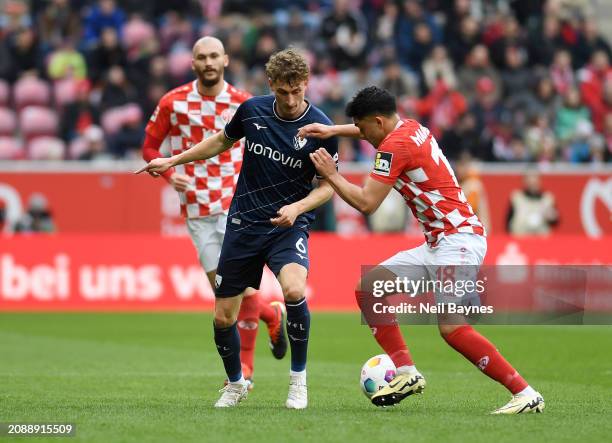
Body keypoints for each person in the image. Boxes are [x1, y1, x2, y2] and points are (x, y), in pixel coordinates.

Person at [300, 86, 545, 414]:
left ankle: (525, 393)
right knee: (369, 288)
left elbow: (367, 203)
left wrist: (331, 176)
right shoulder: (411, 127)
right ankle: (406, 372)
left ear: (378, 122)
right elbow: (373, 130)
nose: (362, 134)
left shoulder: (392, 147)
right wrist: (334, 130)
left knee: (452, 327)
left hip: (458, 242)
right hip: (439, 243)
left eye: (362, 127)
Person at [137, 48, 339, 409]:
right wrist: (173, 159)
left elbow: (328, 186)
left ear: (307, 83)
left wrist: (298, 207)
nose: (291, 100)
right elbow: (219, 141)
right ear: (271, 85)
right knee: (222, 315)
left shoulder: (321, 128)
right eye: (283, 92)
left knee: (294, 290)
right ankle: (235, 384)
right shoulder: (252, 110)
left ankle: (298, 383)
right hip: (244, 223)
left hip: (287, 225)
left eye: (298, 91)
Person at [140, 37, 287, 388]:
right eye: (201, 57)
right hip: (197, 210)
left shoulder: (244, 103)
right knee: (228, 297)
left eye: (213, 56)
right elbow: (149, 148)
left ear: (225, 60)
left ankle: (245, 371)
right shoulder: (173, 102)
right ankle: (272, 314)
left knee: (241, 292)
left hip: (239, 205)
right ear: (193, 63)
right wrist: (171, 175)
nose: (208, 62)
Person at [506, 170, 558, 236]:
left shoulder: (547, 198)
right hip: (520, 239)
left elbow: (555, 221)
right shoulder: (516, 197)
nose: (532, 181)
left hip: (542, 240)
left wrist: (552, 217)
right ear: (524, 181)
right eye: (529, 178)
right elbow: (508, 222)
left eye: (535, 178)